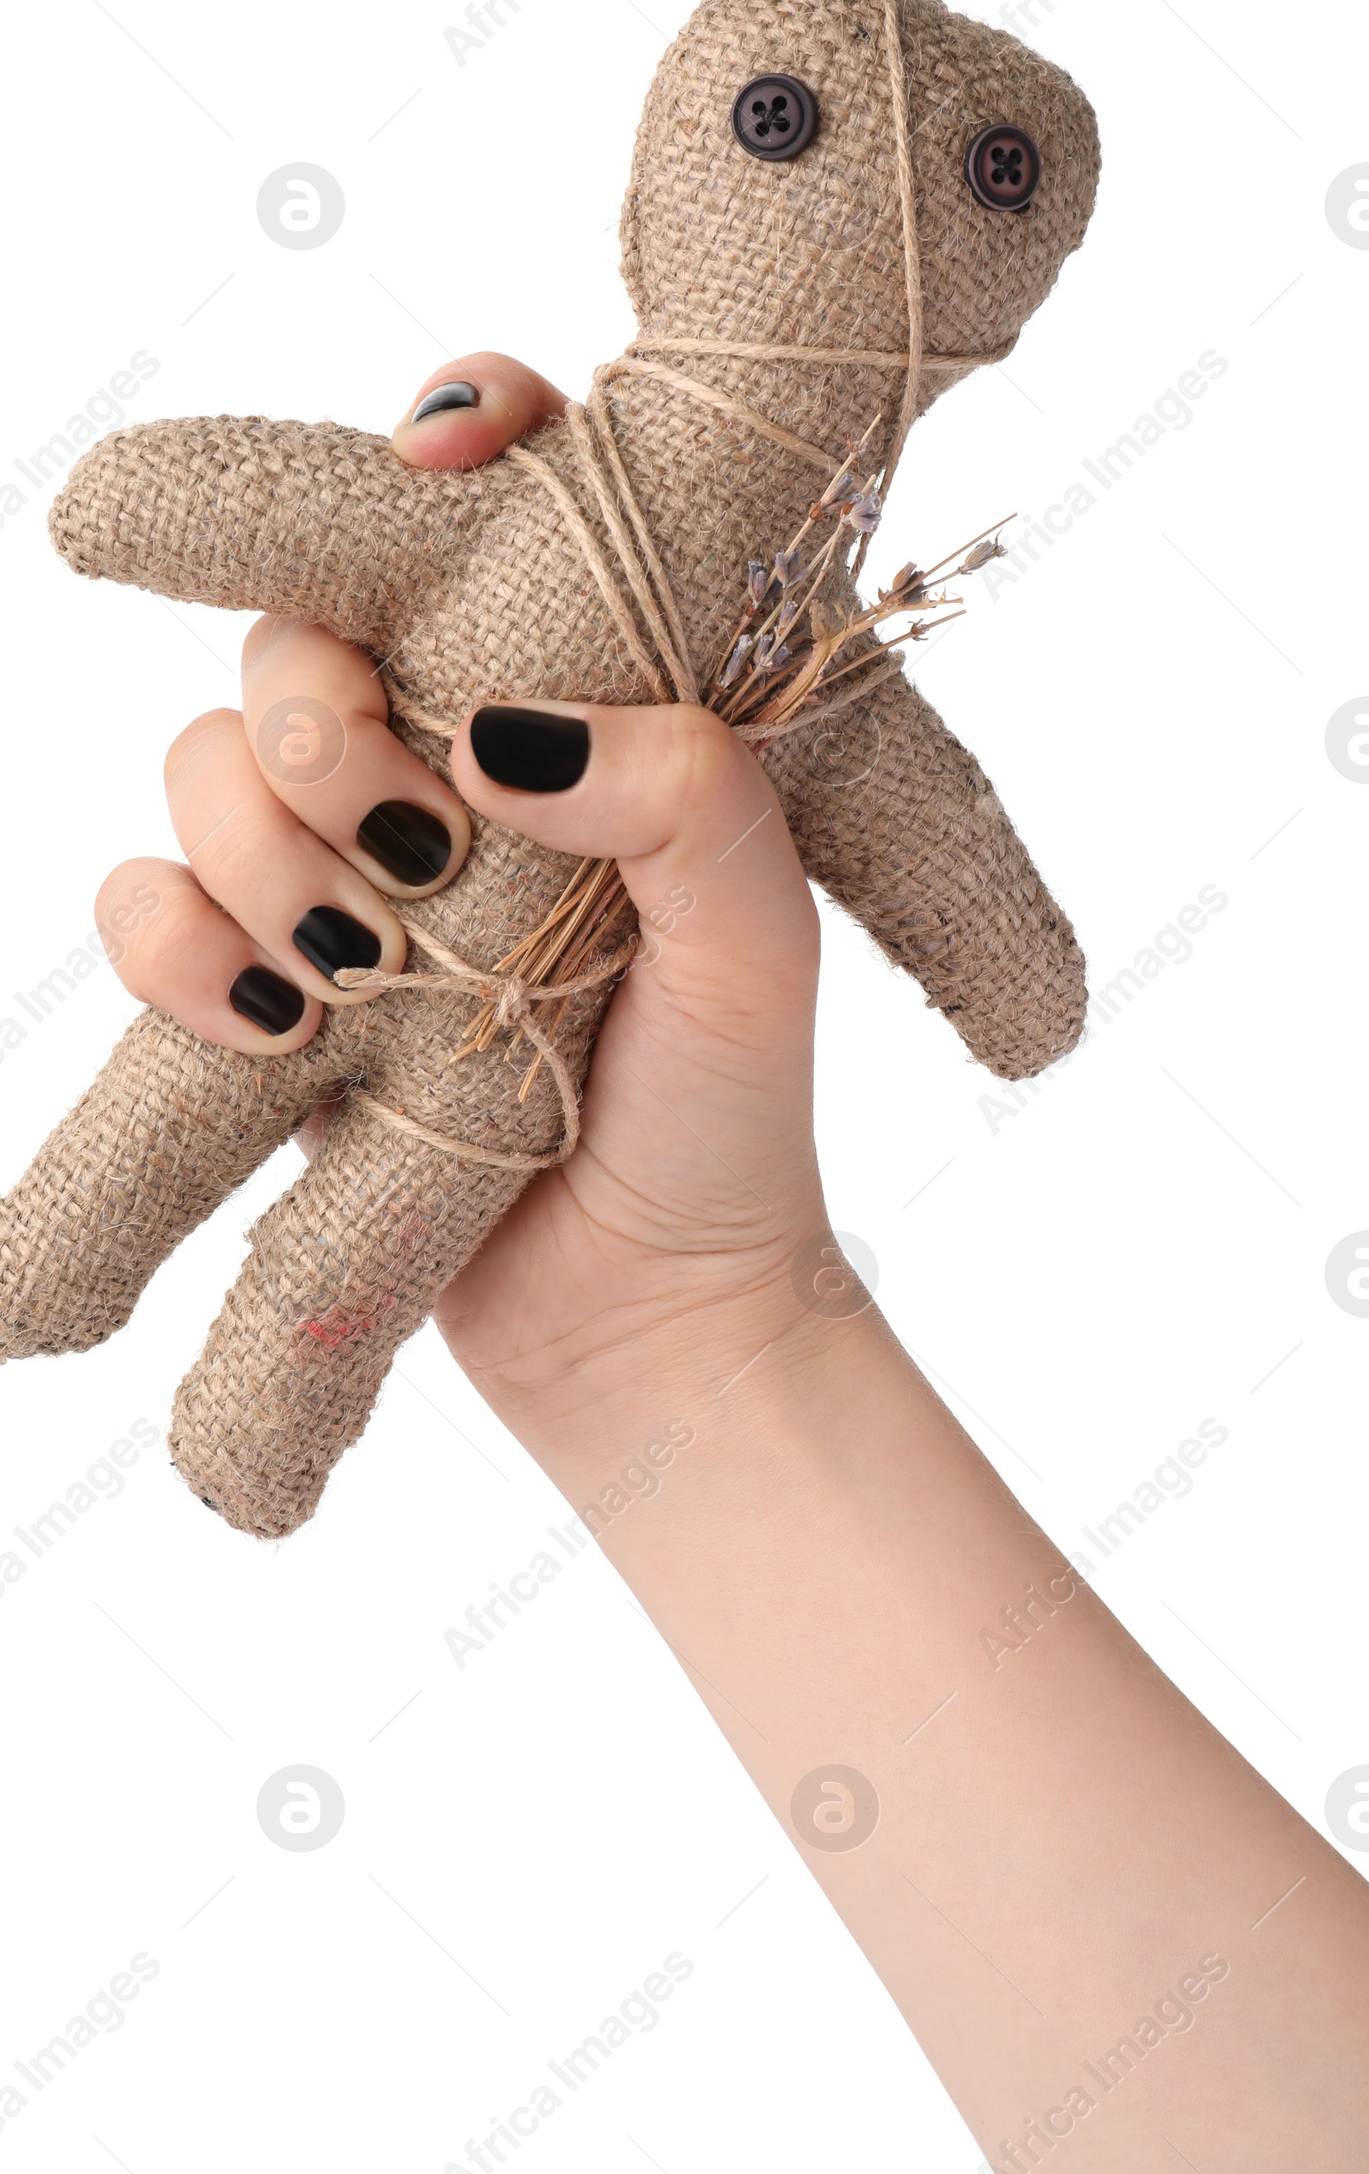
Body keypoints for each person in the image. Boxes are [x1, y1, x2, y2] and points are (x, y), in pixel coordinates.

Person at [95, 352, 1369, 2166]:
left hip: (558, 1181)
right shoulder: (724, 618)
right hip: (589, 1201)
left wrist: (675, 1350)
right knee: (160, 1117)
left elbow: (115, 497)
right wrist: (687, 1344)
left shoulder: (806, 661)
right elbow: (150, 504)